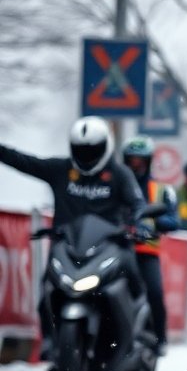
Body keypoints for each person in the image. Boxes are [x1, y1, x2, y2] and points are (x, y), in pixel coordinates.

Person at [0, 117, 145, 353]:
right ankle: (50, 338)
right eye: (81, 150)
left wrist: (138, 223)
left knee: (136, 278)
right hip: (67, 247)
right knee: (47, 286)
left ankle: (138, 329)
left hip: (109, 245)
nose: (87, 155)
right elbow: (24, 161)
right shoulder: (60, 169)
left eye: (92, 149)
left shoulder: (120, 174)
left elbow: (137, 203)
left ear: (105, 146)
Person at [121, 136, 180, 354]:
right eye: (131, 161)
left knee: (154, 291)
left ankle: (160, 337)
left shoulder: (163, 190)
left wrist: (153, 225)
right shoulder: (114, 184)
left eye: (140, 162)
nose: (136, 166)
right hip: (116, 248)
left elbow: (174, 221)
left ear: (148, 162)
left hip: (145, 252)